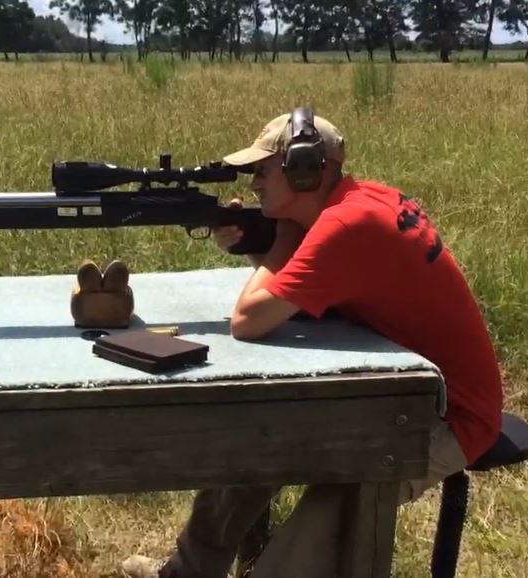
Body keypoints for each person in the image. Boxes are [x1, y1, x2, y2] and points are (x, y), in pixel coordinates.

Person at [120, 109, 505, 578]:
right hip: (392, 389)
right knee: (257, 436)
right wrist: (257, 244)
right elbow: (306, 298)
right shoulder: (364, 200)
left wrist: (281, 239)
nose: (254, 183)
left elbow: (248, 321)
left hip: (448, 416)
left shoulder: (345, 225)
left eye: (263, 171)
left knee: (345, 497)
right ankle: (188, 573)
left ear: (304, 170)